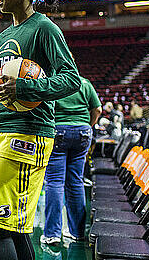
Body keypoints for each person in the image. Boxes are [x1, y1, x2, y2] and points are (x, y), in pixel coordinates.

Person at [0, 0, 82, 260]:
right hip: (0, 133)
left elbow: (71, 78)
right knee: (13, 228)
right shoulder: (1, 39)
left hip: (27, 135)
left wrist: (24, 88)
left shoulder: (45, 28)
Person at [41, 77, 102, 245]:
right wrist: (87, 125)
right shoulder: (84, 83)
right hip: (82, 131)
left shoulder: (52, 82)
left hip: (58, 131)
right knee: (76, 181)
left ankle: (52, 234)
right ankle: (77, 233)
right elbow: (97, 109)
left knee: (54, 182)